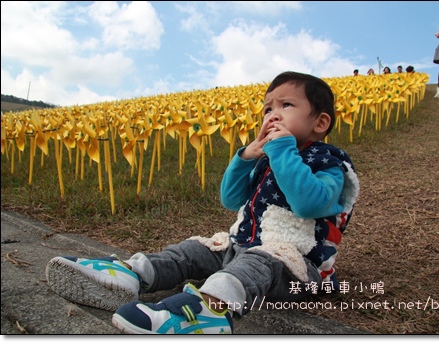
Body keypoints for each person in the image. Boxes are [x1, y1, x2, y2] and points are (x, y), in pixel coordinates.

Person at [45, 71, 360, 335]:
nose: (272, 114)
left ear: (319, 123)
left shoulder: (328, 163)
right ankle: (133, 274)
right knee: (193, 252)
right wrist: (246, 157)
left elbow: (309, 204)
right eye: (266, 109)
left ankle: (209, 311)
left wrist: (281, 152)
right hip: (241, 248)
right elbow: (231, 198)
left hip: (296, 270)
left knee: (257, 264)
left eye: (286, 105)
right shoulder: (268, 158)